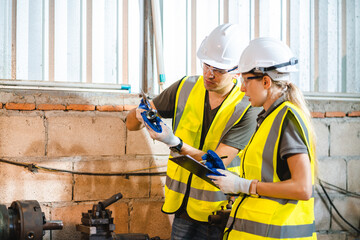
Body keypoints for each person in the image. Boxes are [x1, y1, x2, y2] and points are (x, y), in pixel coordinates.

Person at [126, 23, 259, 240]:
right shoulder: (185, 87)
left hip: (220, 211)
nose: (209, 74)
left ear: (237, 70)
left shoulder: (247, 107)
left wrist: (174, 142)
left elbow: (218, 162)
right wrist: (138, 114)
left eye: (219, 69)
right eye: (206, 65)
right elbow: (131, 125)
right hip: (182, 208)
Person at [208, 37, 317, 239]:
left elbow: (302, 188)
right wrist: (236, 183)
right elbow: (268, 175)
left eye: (245, 80)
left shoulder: (286, 119)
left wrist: (245, 186)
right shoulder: (268, 117)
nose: (241, 88)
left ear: (266, 81)